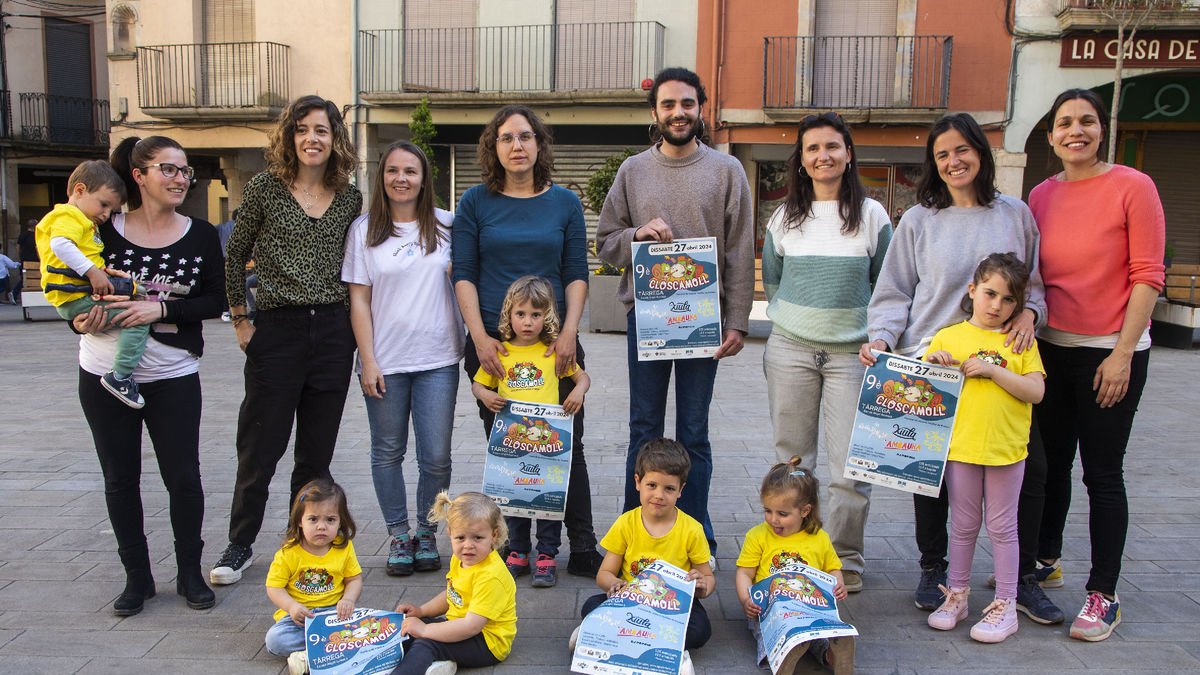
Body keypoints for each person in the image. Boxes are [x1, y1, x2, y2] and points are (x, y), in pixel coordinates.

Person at [858, 112, 1056, 622]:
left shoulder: (1015, 213)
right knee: (931, 475)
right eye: (942, 154)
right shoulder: (920, 220)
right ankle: (935, 568)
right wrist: (881, 336)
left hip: (998, 363)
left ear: (980, 154)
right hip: (932, 363)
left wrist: (1031, 313)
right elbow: (895, 288)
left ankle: (1022, 579)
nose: (953, 161)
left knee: (1026, 470)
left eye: (962, 150)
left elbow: (1033, 284)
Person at [595, 67, 754, 557]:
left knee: (693, 433)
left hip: (702, 321)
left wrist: (738, 320)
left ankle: (695, 538)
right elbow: (604, 242)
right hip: (647, 319)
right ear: (654, 113)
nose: (678, 113)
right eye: (668, 105)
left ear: (700, 108)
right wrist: (636, 235)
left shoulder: (727, 171)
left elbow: (739, 250)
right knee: (643, 428)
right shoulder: (632, 171)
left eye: (687, 103)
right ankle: (633, 537)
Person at [1029, 88, 1165, 642]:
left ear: (1100, 130)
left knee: (1102, 473)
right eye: (1064, 122)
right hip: (1049, 351)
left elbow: (1148, 275)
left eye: (1085, 121)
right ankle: (1046, 558)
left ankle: (1103, 594)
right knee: (1050, 464)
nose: (1075, 130)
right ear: (1052, 135)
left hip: (1111, 350)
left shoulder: (1134, 186)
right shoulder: (1039, 194)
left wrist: (1122, 353)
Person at [214, 95, 363, 586]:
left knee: (316, 452)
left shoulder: (350, 197)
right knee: (260, 445)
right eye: (302, 129)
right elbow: (234, 255)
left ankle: (304, 550)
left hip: (334, 334)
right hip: (277, 330)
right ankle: (240, 544)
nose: (311, 139)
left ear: (334, 138)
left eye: (321, 130)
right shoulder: (264, 189)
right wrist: (241, 320)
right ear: (289, 136)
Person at [72, 134, 223, 616]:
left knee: (183, 477)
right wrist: (74, 317)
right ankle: (137, 578)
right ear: (139, 176)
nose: (179, 178)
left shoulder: (200, 234)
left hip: (173, 373)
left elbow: (216, 300)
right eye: (168, 169)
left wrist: (158, 306)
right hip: (103, 373)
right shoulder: (102, 228)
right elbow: (67, 285)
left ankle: (189, 574)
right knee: (120, 478)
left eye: (184, 171)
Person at [452, 104, 603, 579]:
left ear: (539, 144)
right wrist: (479, 338)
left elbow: (576, 273)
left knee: (566, 447)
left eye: (524, 137)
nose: (516, 146)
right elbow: (464, 274)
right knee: (509, 447)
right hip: (495, 347)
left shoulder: (565, 204)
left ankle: (579, 546)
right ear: (493, 148)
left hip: (554, 344)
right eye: (505, 138)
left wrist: (570, 335)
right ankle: (513, 547)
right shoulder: (475, 202)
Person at [761, 112, 892, 593]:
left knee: (849, 467)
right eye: (812, 148)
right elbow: (773, 279)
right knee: (792, 461)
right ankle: (791, 551)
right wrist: (792, 317)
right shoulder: (784, 216)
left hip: (852, 357)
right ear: (801, 159)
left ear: (849, 154)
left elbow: (887, 282)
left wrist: (874, 335)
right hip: (790, 349)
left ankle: (845, 561)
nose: (823, 156)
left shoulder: (873, 215)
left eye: (832, 146)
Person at [343, 140, 463, 578]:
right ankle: (399, 534)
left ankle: (427, 531)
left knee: (436, 456)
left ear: (424, 178)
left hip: (438, 358)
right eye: (392, 170)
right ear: (382, 176)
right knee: (387, 451)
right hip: (386, 360)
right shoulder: (364, 231)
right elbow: (359, 301)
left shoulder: (448, 225)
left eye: (410, 171)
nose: (401, 178)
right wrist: (367, 360)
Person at [923, 253, 1046, 643]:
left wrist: (994, 370)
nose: (997, 305)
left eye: (1008, 299)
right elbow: (927, 391)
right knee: (961, 525)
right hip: (961, 448)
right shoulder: (948, 336)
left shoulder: (1019, 341)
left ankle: (1006, 604)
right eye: (990, 293)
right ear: (972, 289)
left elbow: (1036, 391)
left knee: (1002, 527)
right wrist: (936, 363)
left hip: (1006, 450)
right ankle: (957, 595)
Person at [472, 276, 591, 587]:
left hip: (549, 442)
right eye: (521, 314)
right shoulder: (501, 353)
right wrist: (486, 396)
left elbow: (583, 378)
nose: (527, 322)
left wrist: (577, 392)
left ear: (546, 316)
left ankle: (548, 555)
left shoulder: (553, 353)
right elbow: (477, 383)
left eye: (536, 315)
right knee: (516, 497)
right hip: (513, 442)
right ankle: (519, 553)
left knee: (547, 499)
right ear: (509, 315)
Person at [568, 438, 716, 675]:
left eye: (669, 488)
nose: (659, 495)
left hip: (672, 606)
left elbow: (708, 578)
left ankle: (645, 643)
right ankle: (595, 632)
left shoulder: (692, 529)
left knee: (701, 629)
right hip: (631, 602)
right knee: (592, 605)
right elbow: (604, 573)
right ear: (638, 482)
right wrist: (615, 584)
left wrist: (702, 585)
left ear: (681, 490)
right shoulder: (626, 523)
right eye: (652, 485)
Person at [35, 160, 151, 407]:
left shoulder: (80, 219)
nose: (106, 214)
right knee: (138, 319)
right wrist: (93, 273)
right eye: (104, 204)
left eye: (112, 209)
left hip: (81, 293)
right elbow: (60, 245)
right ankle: (120, 376)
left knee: (137, 296)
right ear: (79, 191)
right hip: (78, 297)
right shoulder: (67, 215)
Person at [735, 458, 852, 673]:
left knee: (818, 632)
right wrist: (746, 599)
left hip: (808, 605)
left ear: (805, 511)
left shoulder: (819, 538)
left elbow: (832, 568)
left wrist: (838, 585)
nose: (773, 519)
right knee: (767, 630)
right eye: (767, 510)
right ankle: (783, 654)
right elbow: (744, 572)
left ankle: (833, 654)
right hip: (770, 608)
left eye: (782, 514)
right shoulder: (758, 535)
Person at [391, 491, 518, 675]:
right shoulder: (460, 559)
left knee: (426, 643)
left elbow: (471, 626)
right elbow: (452, 594)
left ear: (494, 535)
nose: (468, 545)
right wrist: (422, 612)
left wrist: (426, 629)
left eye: (477, 537)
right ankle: (436, 665)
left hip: (487, 642)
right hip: (460, 625)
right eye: (460, 538)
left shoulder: (491, 575)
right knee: (408, 624)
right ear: (450, 533)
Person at [264, 480, 363, 675]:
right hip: (300, 618)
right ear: (299, 521)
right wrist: (292, 607)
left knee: (365, 627)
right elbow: (274, 587)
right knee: (275, 640)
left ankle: (314, 655)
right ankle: (333, 649)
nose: (321, 527)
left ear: (340, 521)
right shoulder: (289, 552)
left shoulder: (343, 547)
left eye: (330, 520)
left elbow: (354, 579)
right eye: (313, 519)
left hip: (334, 613)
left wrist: (348, 599)